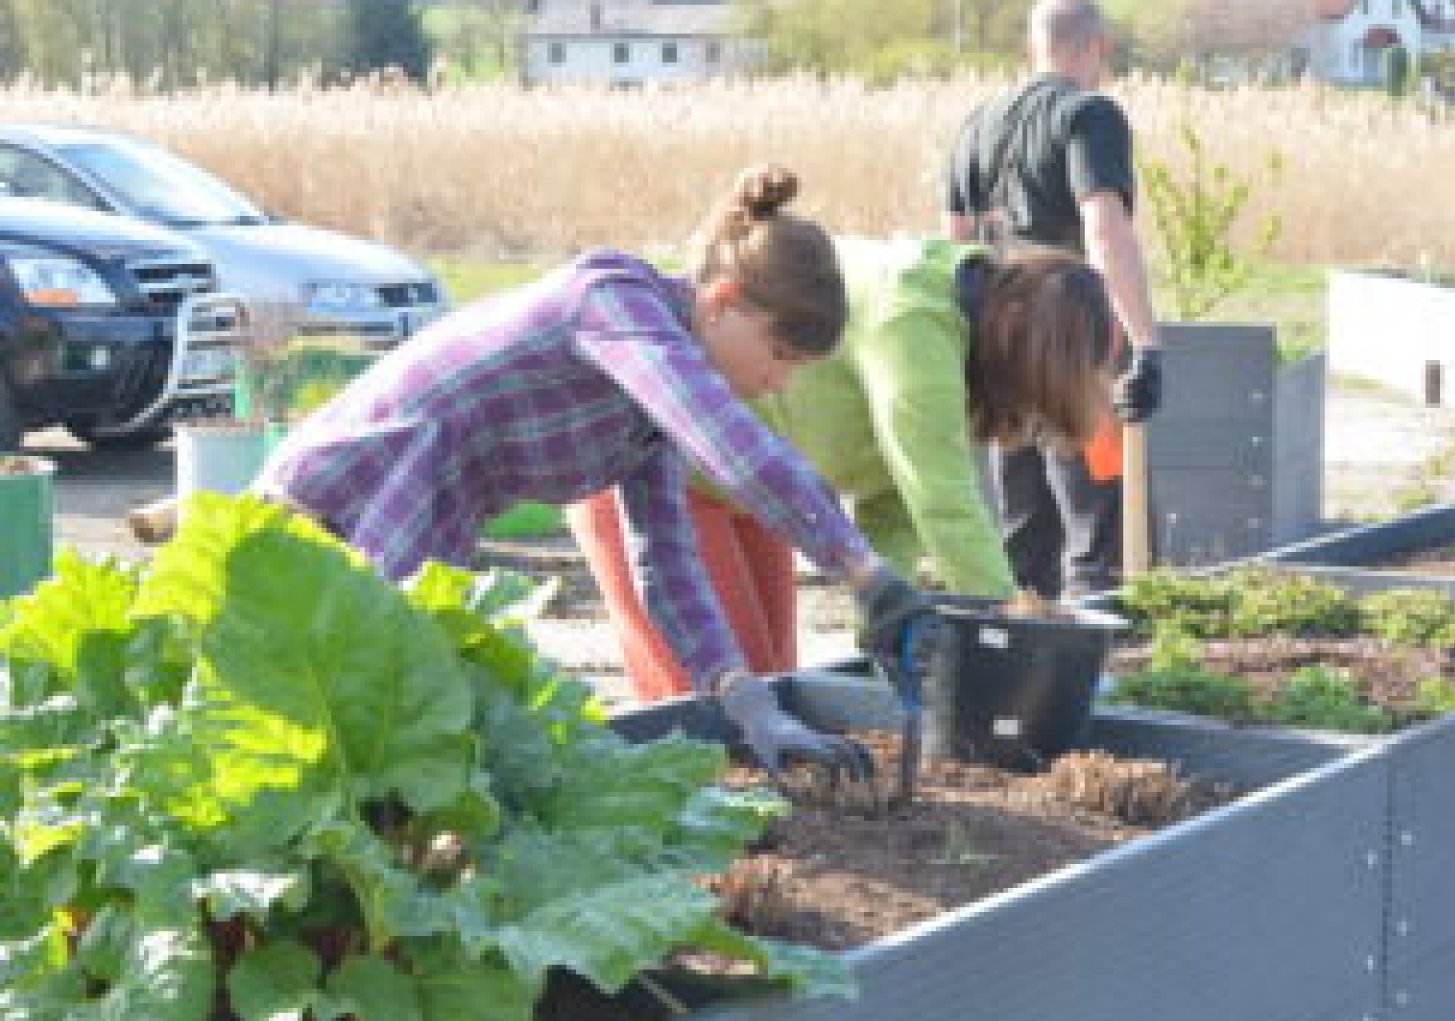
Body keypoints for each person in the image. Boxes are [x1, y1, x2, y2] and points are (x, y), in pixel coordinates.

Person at [254, 165, 936, 778]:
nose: (780, 382)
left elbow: (666, 565)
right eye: (780, 353)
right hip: (351, 499)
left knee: (396, 751)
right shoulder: (613, 301)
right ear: (722, 301)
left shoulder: (648, 406)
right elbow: (734, 451)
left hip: (429, 525)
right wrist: (863, 572)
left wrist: (747, 699)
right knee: (317, 738)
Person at [569, 235, 1120, 701]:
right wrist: (1021, 638)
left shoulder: (962, 345)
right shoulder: (916, 318)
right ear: (1017, 324)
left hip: (757, 492)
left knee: (778, 680)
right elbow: (943, 503)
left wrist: (883, 623)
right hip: (659, 466)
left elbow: (897, 504)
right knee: (724, 698)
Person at [943, 0, 1163, 600]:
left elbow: (957, 250)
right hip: (1076, 348)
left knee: (1023, 531)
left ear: (1033, 48)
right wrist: (1145, 345)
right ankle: (1107, 669)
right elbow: (1103, 229)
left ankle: (1027, 665)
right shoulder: (1090, 115)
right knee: (1099, 527)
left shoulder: (976, 124)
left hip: (1000, 349)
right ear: (1099, 46)